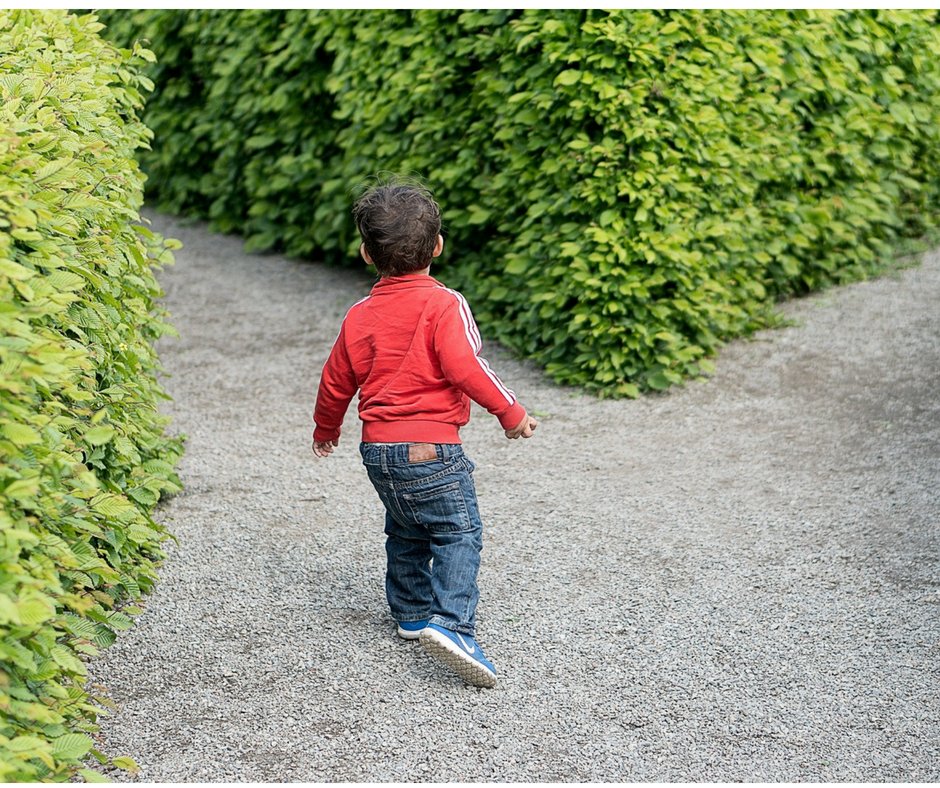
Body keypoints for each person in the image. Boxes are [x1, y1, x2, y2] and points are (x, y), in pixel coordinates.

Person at [312, 179, 537, 688]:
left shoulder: (359, 315)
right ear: (437, 245)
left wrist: (327, 428)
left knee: (406, 526)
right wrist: (510, 412)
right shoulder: (444, 304)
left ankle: (412, 613)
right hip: (431, 448)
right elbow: (466, 366)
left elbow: (335, 380)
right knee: (458, 532)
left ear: (366, 253)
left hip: (377, 450)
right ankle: (452, 624)